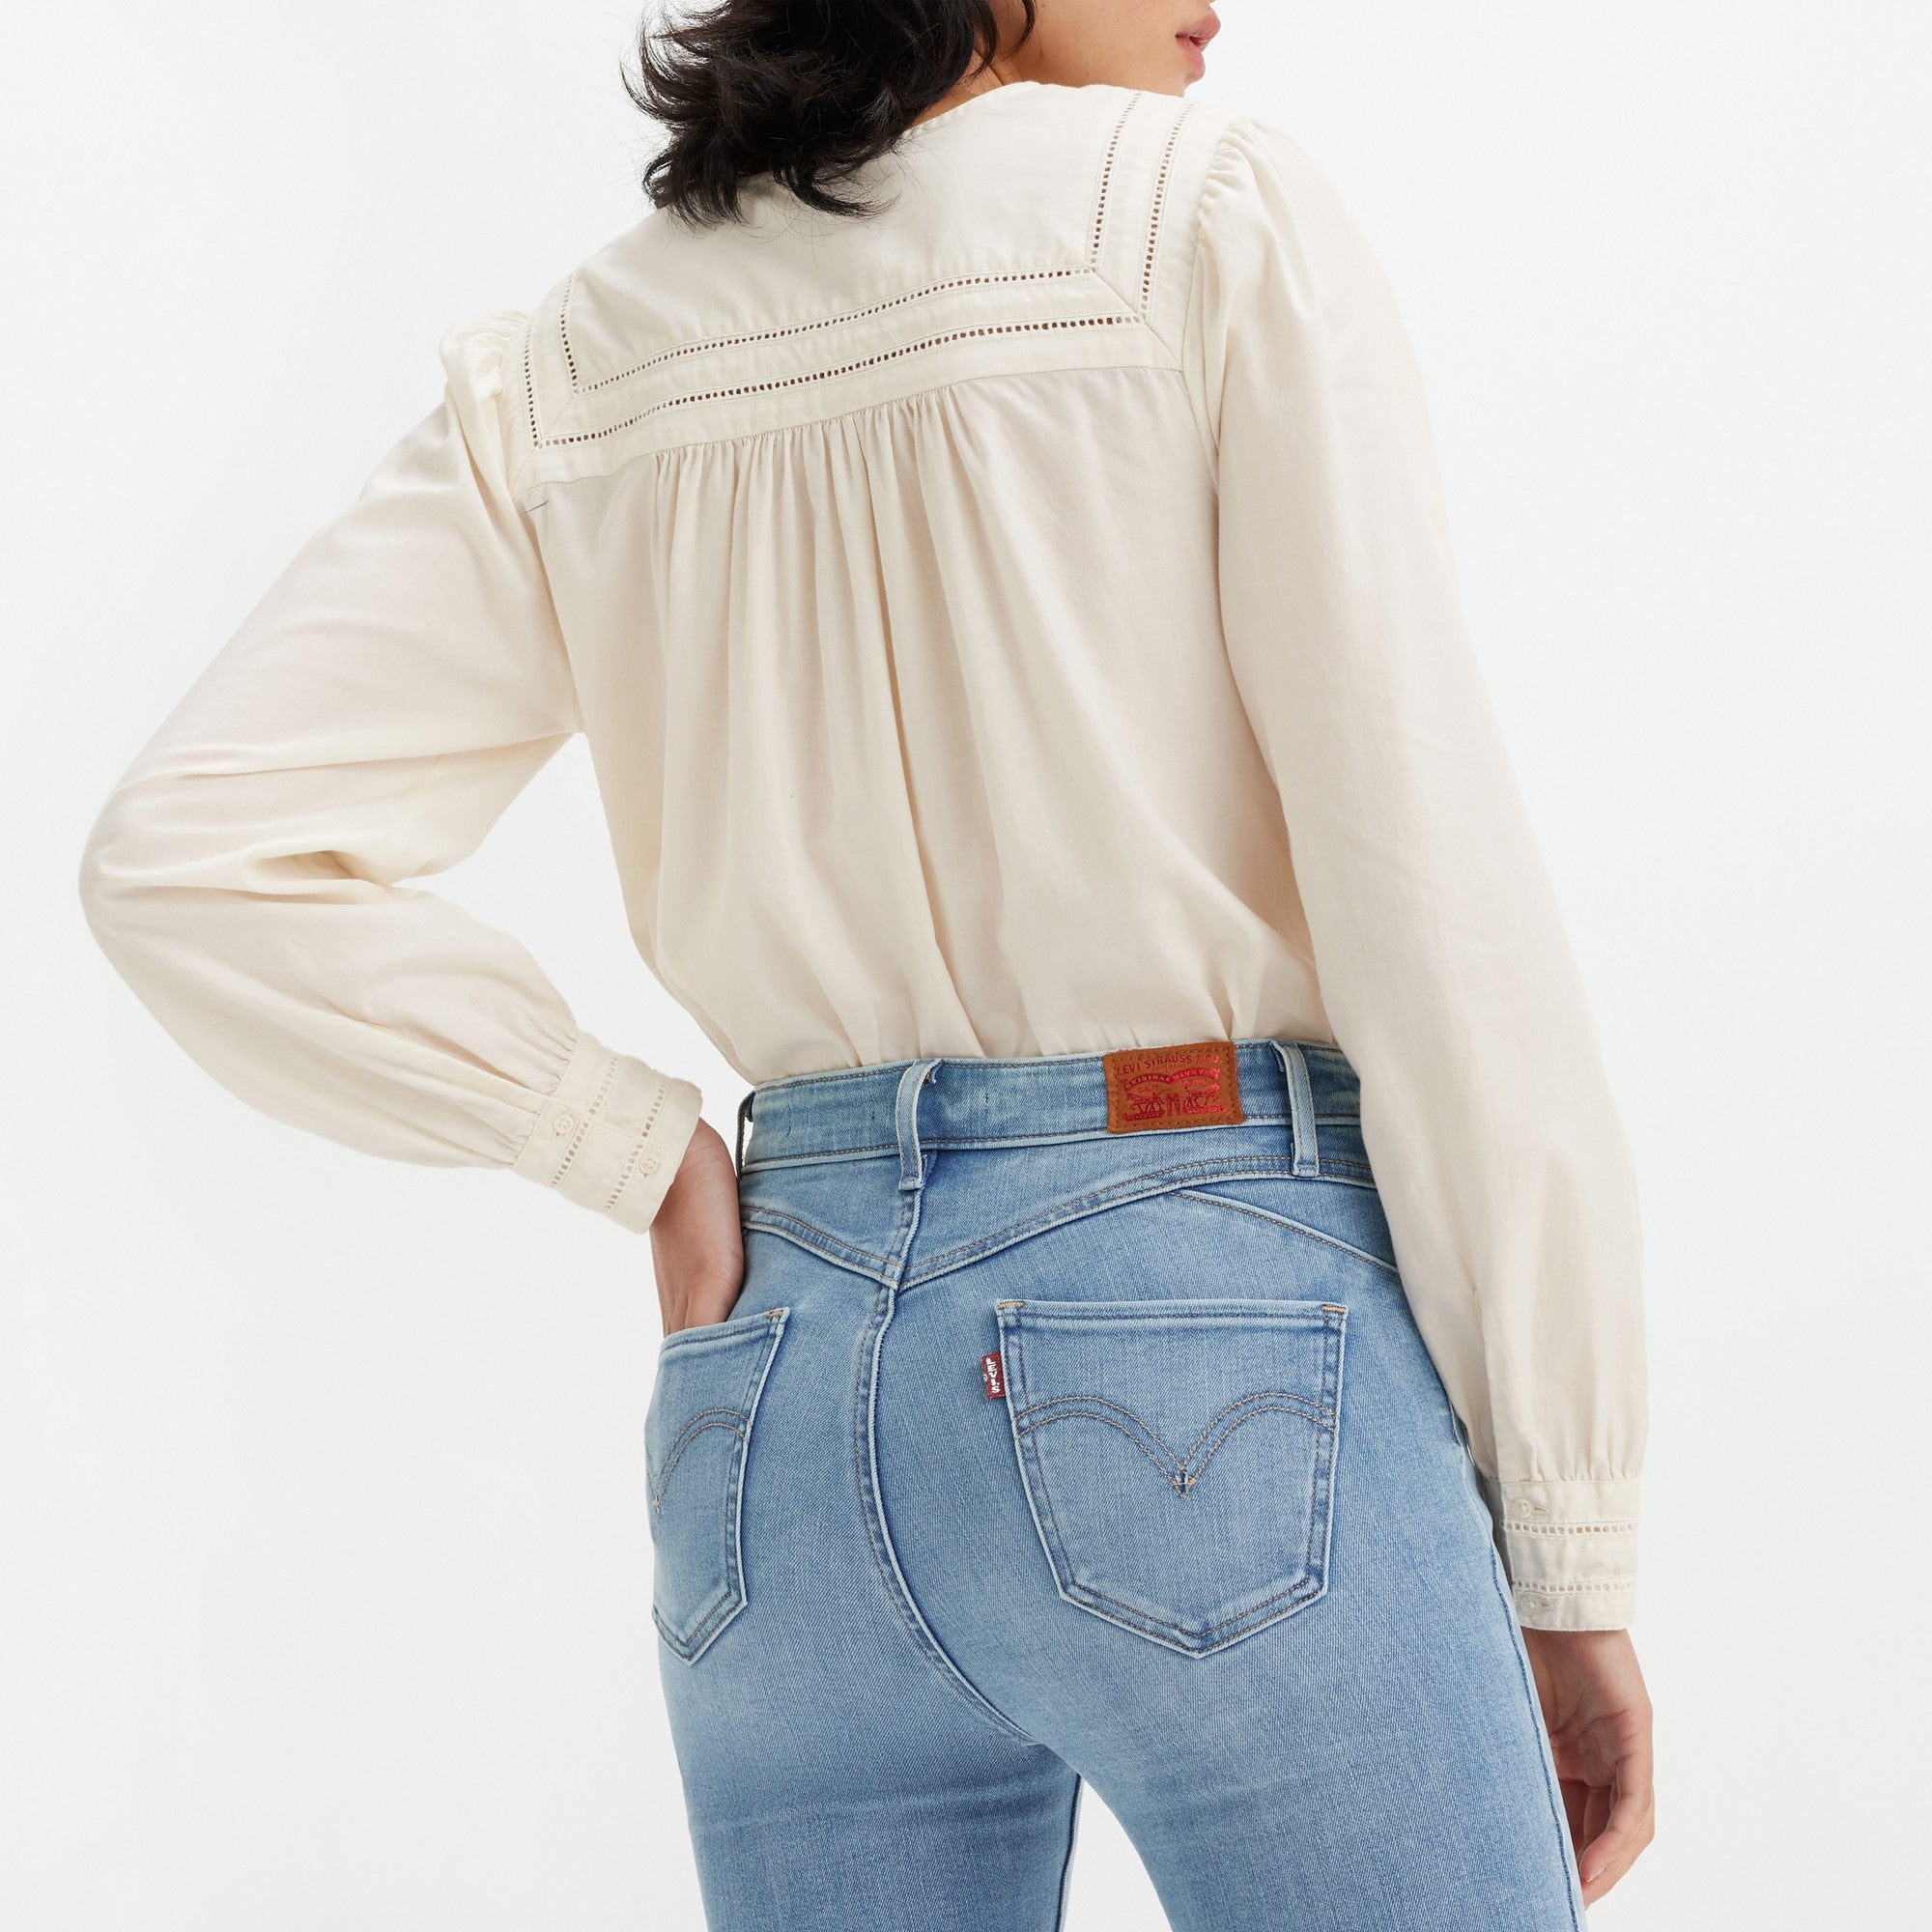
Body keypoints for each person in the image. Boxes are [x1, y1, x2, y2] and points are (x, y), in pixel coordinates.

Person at [77, 2, 1655, 1925]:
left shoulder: (582, 357)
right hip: (1213, 1329)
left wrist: (642, 1151)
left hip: (778, 1386)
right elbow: (1431, 895)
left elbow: (188, 853)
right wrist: (1568, 1538)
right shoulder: (1198, 214)